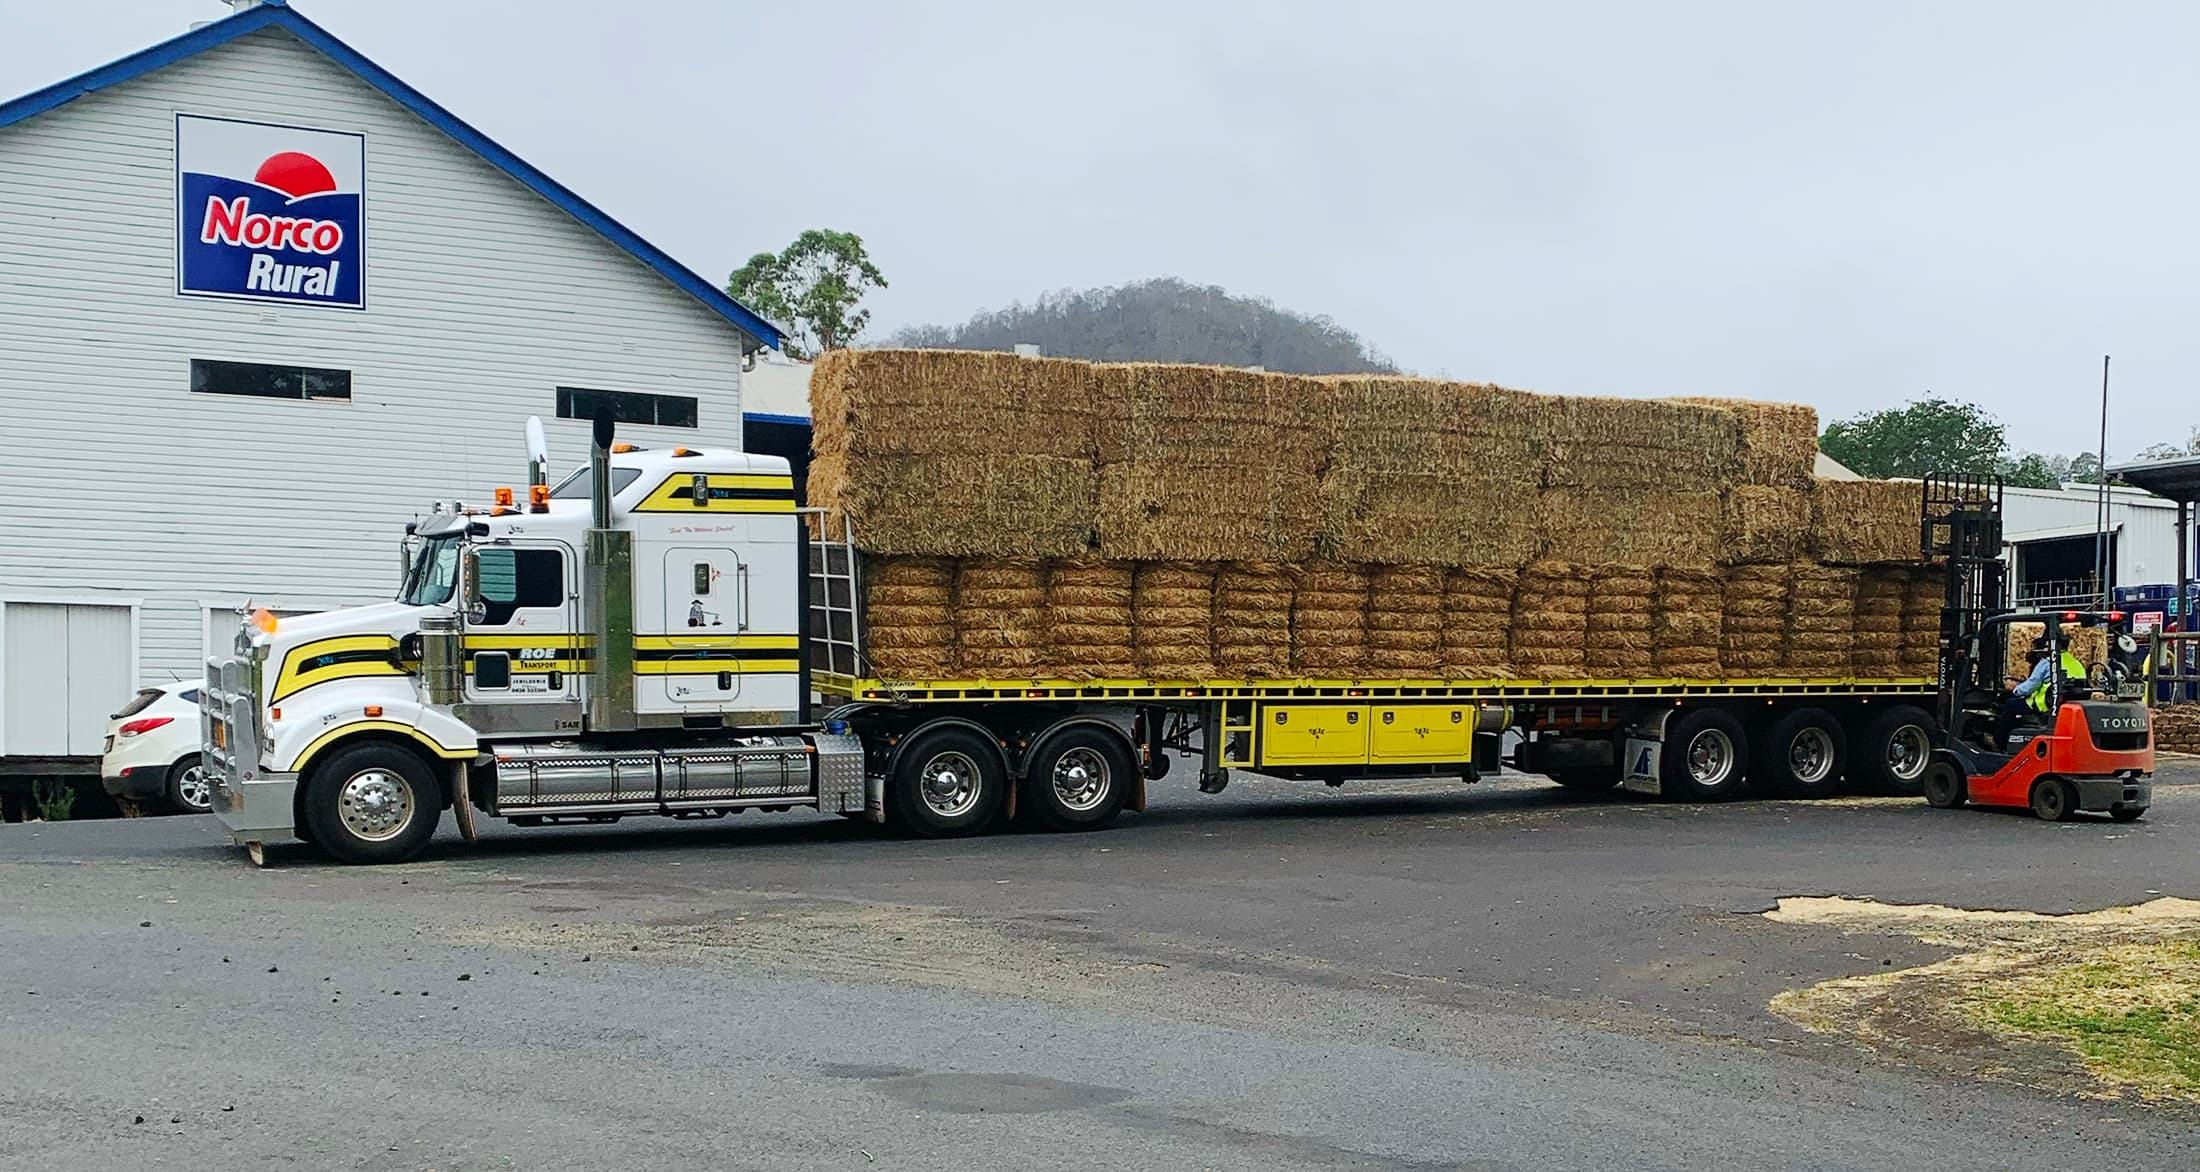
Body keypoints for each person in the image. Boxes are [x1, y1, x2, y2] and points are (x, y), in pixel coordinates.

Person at [1994, 634, 2085, 745]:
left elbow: (2030, 687)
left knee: (2010, 704)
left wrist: (2015, 689)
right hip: (2066, 705)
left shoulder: (2048, 662)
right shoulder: (2077, 664)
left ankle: (2000, 742)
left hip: (2045, 705)